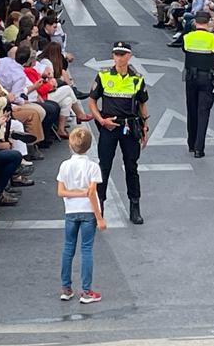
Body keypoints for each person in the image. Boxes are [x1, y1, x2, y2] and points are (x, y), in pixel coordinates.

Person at [87, 41, 148, 225]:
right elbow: (92, 101)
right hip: (109, 126)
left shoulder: (136, 78)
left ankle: (135, 206)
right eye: (116, 54)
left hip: (129, 127)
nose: (119, 58)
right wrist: (101, 120)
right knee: (104, 167)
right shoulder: (104, 76)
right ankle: (100, 206)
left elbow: (142, 105)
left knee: (131, 166)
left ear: (129, 56)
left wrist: (144, 129)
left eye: (122, 54)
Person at [56, 126, 105, 304]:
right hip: (87, 212)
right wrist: (99, 218)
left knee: (68, 249)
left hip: (71, 211)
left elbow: (61, 192)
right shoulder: (93, 167)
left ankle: (66, 288)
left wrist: (74, 193)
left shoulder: (65, 165)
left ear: (70, 144)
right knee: (86, 250)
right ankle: (86, 290)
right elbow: (92, 193)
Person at [181, 11, 214, 158]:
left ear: (195, 22)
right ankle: (199, 148)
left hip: (191, 77)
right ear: (208, 23)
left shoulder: (187, 37)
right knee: (203, 112)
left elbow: (185, 50)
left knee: (191, 109)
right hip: (207, 78)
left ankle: (191, 143)